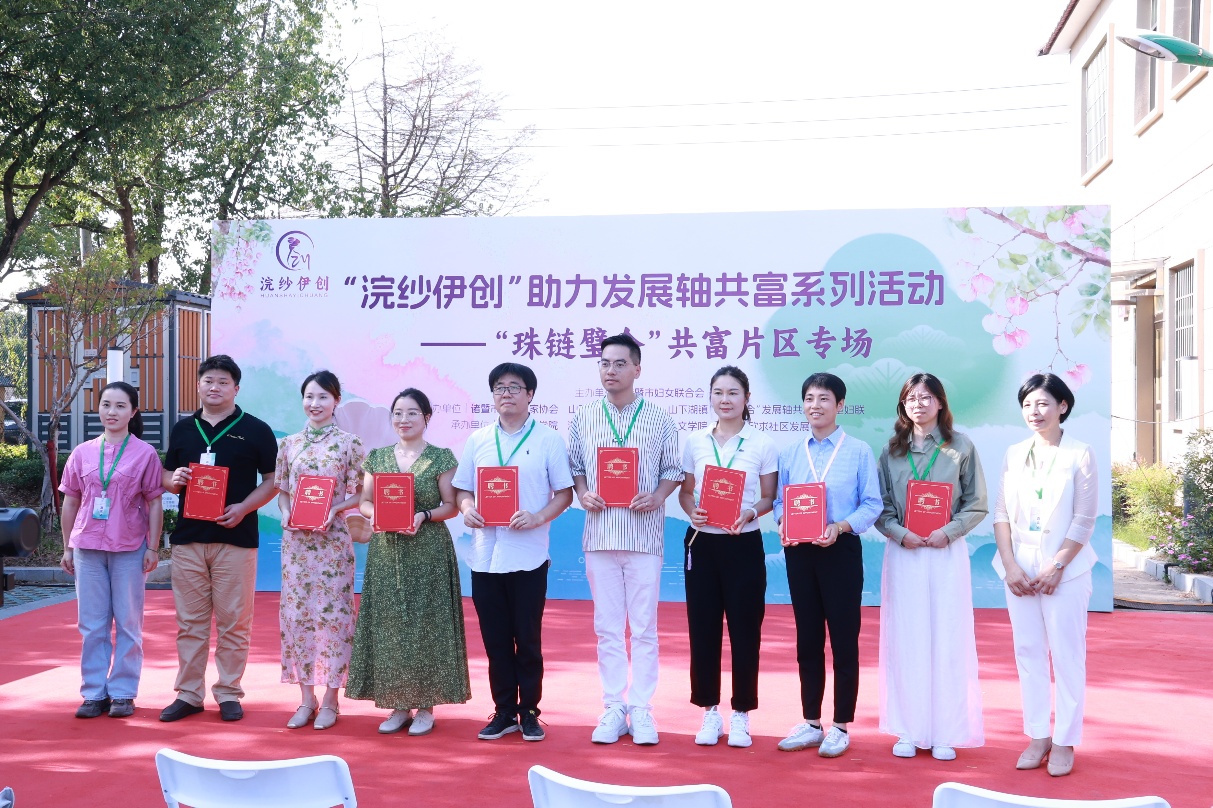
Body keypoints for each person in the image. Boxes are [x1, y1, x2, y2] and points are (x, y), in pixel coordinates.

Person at [568, 332, 683, 745]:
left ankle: (642, 708)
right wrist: (583, 493)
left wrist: (658, 496)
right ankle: (614, 707)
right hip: (600, 535)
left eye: (619, 364)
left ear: (637, 369)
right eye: (604, 363)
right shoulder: (583, 417)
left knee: (645, 627)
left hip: (643, 538)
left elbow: (673, 470)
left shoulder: (659, 417)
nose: (610, 370)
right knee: (608, 628)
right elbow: (576, 467)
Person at [454, 363, 574, 742]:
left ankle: (530, 712)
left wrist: (537, 517)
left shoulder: (549, 440)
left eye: (514, 387)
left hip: (528, 556)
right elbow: (462, 489)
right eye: (499, 388)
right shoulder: (478, 439)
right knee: (495, 641)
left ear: (530, 395)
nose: (506, 394)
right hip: (485, 557)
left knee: (528, 640)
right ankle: (504, 711)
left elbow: (565, 494)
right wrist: (467, 509)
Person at [875, 373, 987, 761]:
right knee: (906, 638)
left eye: (926, 397)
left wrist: (949, 532)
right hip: (904, 552)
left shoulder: (961, 447)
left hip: (945, 552)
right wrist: (899, 532)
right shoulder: (891, 451)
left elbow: (976, 503)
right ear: (902, 405)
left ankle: (945, 731)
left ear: (940, 402)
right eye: (911, 398)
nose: (918, 404)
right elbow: (881, 506)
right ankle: (907, 728)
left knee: (947, 637)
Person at [160, 355, 279, 722]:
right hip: (188, 540)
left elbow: (273, 481)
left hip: (236, 539)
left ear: (236, 388)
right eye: (208, 380)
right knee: (190, 624)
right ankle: (189, 694)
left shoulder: (256, 429)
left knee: (234, 622)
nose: (215, 387)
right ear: (198, 385)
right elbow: (166, 475)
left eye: (223, 382)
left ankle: (228, 692)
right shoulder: (183, 429)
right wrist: (173, 480)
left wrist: (243, 508)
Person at [347, 387, 471, 735]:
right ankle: (398, 705)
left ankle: (426, 706)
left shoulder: (441, 457)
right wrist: (375, 514)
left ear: (427, 417)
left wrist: (423, 515)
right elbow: (365, 501)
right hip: (387, 551)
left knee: (427, 625)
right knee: (390, 626)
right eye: (398, 413)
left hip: (428, 549)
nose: (404, 419)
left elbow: (451, 505)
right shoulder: (377, 457)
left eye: (412, 412)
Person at [992, 373, 1098, 778]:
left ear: (1062, 406)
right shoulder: (1015, 453)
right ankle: (1038, 735)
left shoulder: (1079, 453)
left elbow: (1084, 519)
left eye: (1042, 404)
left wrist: (1057, 566)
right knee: (1028, 653)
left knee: (1067, 656)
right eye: (1027, 405)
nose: (1034, 412)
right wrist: (1011, 566)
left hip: (1064, 573)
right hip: (1019, 572)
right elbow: (1001, 514)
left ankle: (1066, 739)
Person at [772, 372, 881, 757]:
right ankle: (811, 722)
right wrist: (783, 521)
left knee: (844, 639)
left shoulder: (858, 451)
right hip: (800, 551)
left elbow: (872, 503)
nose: (815, 406)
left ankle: (841, 726)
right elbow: (780, 501)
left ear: (840, 405)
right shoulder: (790, 452)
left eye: (823, 399)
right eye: (809, 398)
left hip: (840, 550)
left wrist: (840, 526)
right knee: (807, 639)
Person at [677, 366, 777, 748]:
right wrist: (693, 511)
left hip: (743, 544)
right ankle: (709, 711)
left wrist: (750, 512)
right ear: (710, 397)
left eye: (733, 392)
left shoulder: (761, 443)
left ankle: (741, 714)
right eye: (718, 392)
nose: (725, 399)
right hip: (702, 544)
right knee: (703, 629)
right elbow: (686, 492)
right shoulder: (695, 441)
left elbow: (768, 497)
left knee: (745, 630)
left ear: (746, 398)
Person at [58, 381, 164, 718]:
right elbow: (70, 502)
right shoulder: (82, 453)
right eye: (106, 404)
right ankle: (93, 693)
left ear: (133, 412)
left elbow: (155, 502)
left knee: (128, 623)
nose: (111, 412)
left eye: (120, 406)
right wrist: (68, 547)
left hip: (129, 547)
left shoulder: (145, 454)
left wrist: (153, 546)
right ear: (98, 409)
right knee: (92, 625)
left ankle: (123, 693)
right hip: (87, 548)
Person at [275, 370, 367, 731]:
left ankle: (331, 699)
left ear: (336, 401)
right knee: (297, 617)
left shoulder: (349, 444)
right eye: (309, 396)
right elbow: (283, 491)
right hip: (296, 544)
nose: (315, 403)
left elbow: (361, 493)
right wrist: (286, 513)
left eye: (323, 397)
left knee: (334, 618)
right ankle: (306, 698)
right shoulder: (289, 444)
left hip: (332, 543)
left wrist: (335, 509)